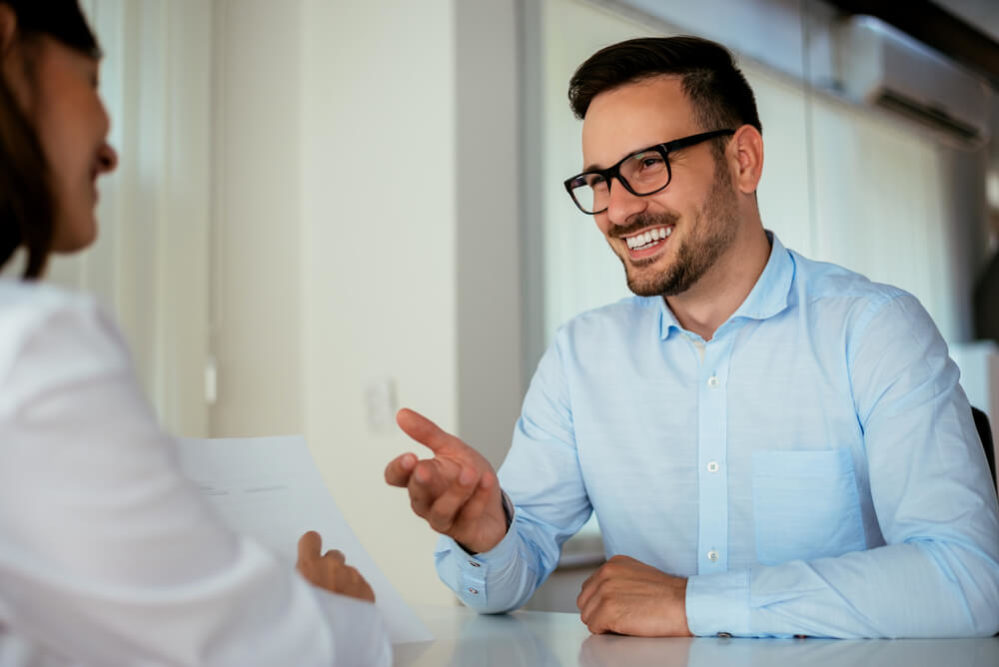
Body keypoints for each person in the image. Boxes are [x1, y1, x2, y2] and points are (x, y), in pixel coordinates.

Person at [386, 36, 999, 638]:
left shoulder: (874, 331)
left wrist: (691, 604)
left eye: (647, 164)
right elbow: (505, 581)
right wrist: (485, 535)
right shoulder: (581, 358)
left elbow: (970, 580)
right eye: (598, 180)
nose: (617, 211)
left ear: (743, 160)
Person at [0, 1, 390, 664]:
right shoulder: (33, 347)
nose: (111, 149)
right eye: (94, 83)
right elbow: (253, 651)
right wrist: (335, 612)